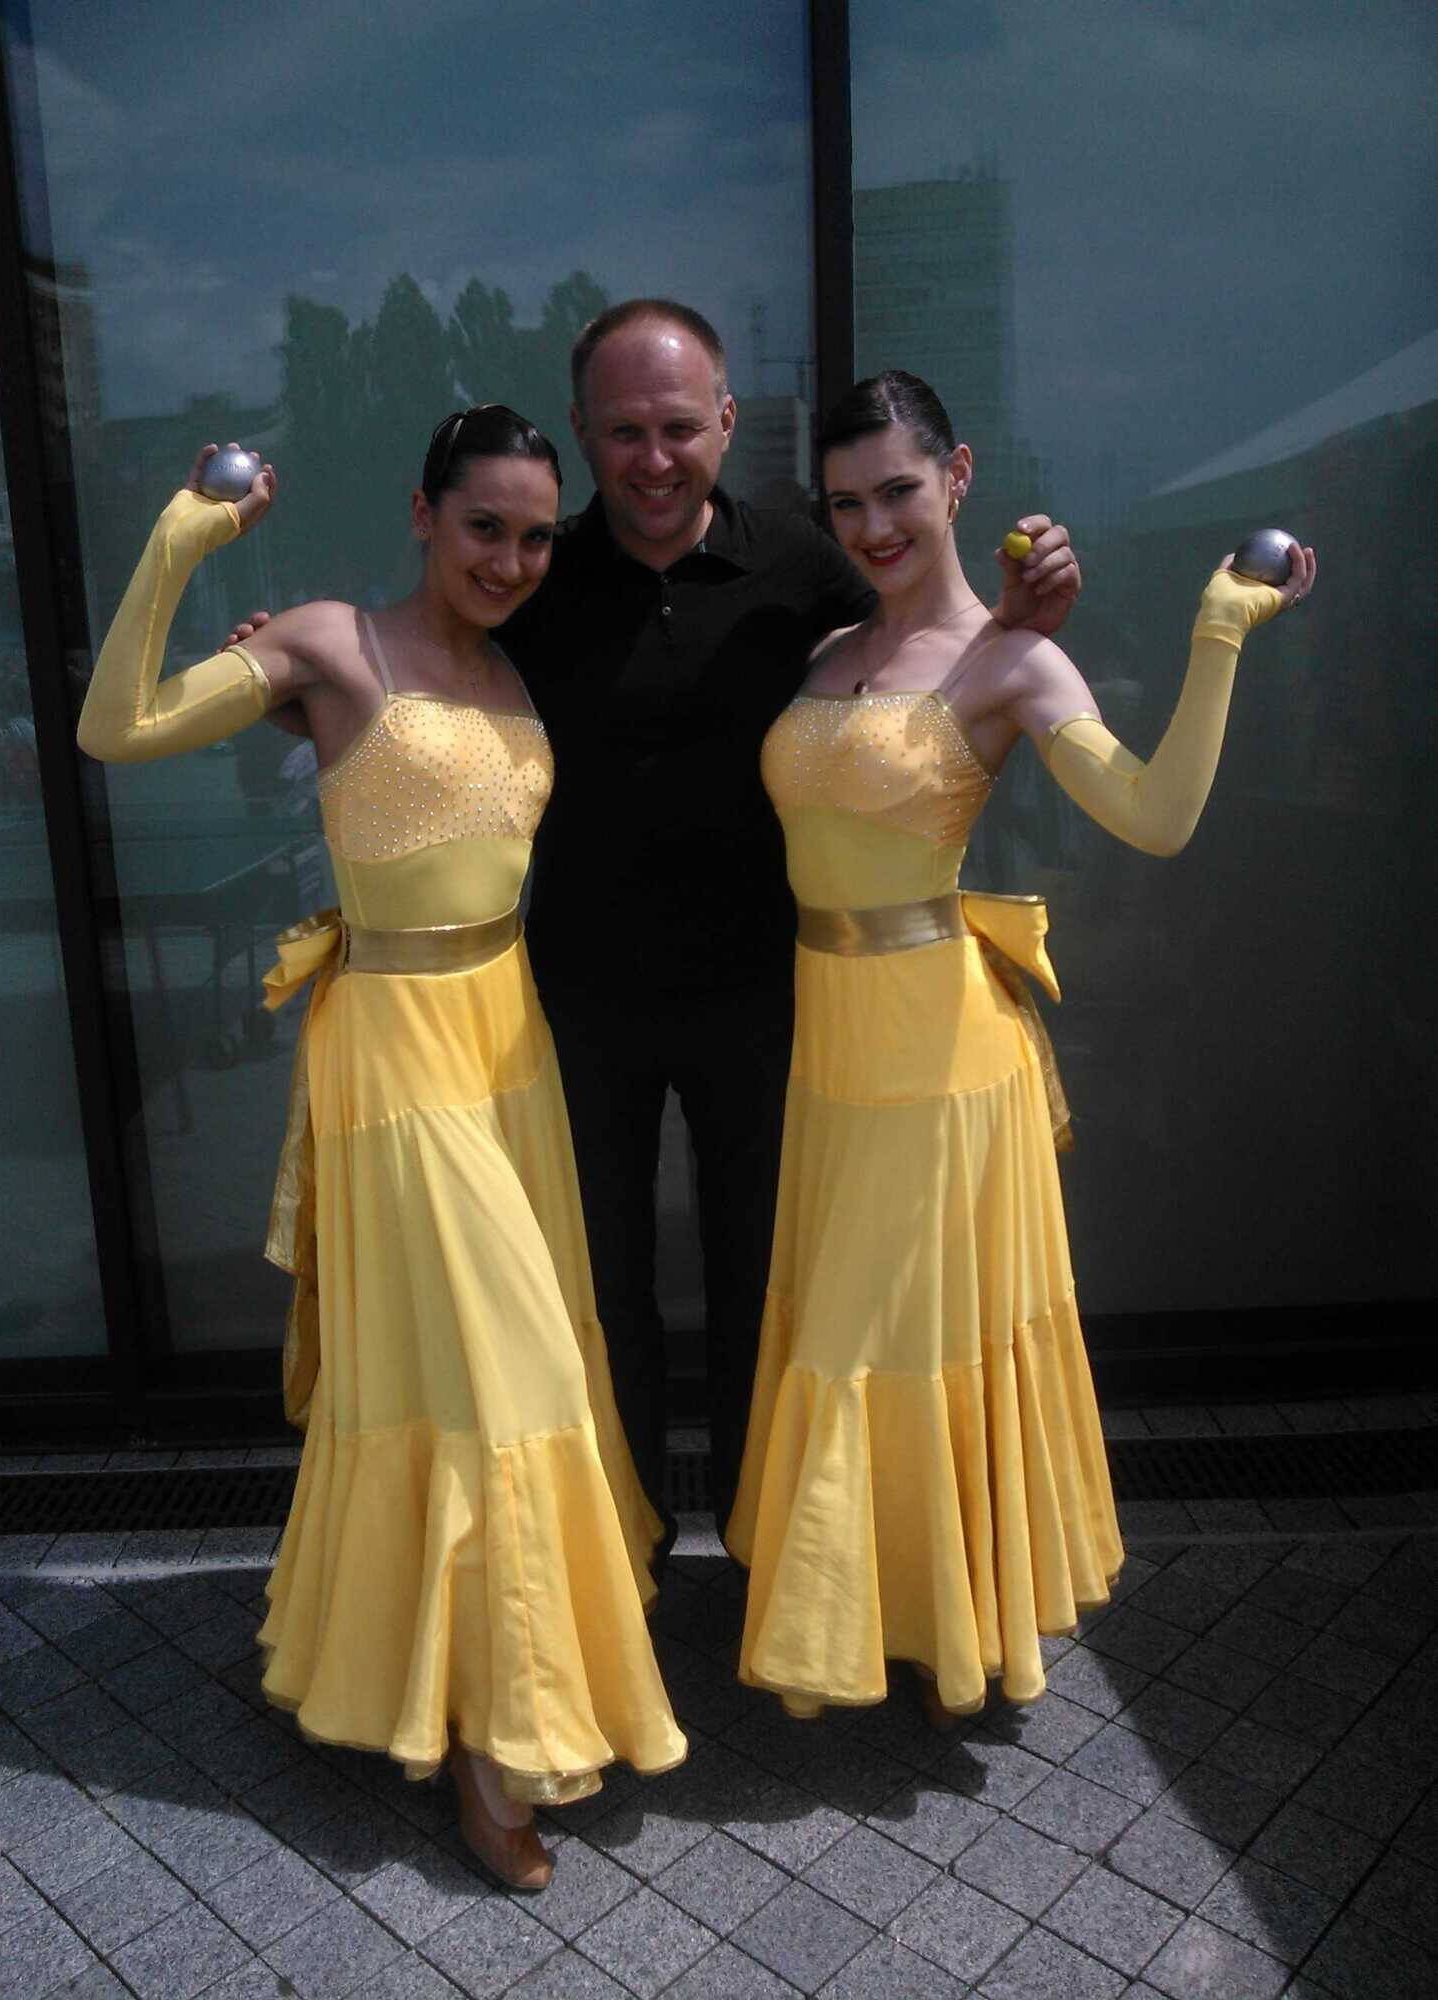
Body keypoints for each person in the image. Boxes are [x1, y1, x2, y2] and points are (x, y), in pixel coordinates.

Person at [76, 410, 686, 1891]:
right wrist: (188, 534)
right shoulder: (330, 643)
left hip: (509, 1043)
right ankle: (492, 1748)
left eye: (535, 536)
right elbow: (116, 726)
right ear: (422, 514)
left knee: (492, 1368)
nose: (513, 559)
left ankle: (467, 1669)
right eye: (485, 527)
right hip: (394, 1051)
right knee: (505, 1375)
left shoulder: (518, 668)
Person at [724, 370, 1316, 1721]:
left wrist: (1219, 633)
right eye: (846, 503)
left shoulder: (1013, 659)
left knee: (897, 1332)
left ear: (958, 477)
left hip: (942, 1060)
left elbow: (1156, 817)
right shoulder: (826, 652)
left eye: (899, 491)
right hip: (832, 1055)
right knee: (861, 1327)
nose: (874, 526)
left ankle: (929, 1628)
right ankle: (887, 1616)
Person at [498, 302, 1081, 1540]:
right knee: (594, 1286)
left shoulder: (805, 565)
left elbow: (925, 651)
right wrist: (301, 686)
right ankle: (621, 1551)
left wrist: (1022, 623)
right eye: (622, 431)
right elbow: (432, 665)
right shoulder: (541, 577)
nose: (654, 457)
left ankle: (773, 1546)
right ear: (582, 434)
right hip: (580, 1000)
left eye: (678, 426)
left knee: (773, 1284)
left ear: (725, 419)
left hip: (774, 999)